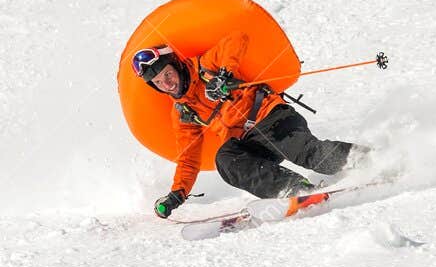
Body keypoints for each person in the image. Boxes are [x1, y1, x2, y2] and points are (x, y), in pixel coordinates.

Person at [131, 34, 358, 218]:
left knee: (309, 155)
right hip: (248, 142)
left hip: (271, 119)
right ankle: (294, 190)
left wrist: (224, 75)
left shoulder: (205, 66)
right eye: (159, 82)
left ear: (176, 66)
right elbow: (188, 159)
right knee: (225, 159)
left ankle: (362, 159)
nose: (167, 84)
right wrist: (177, 195)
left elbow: (237, 40)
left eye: (167, 74)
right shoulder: (183, 112)